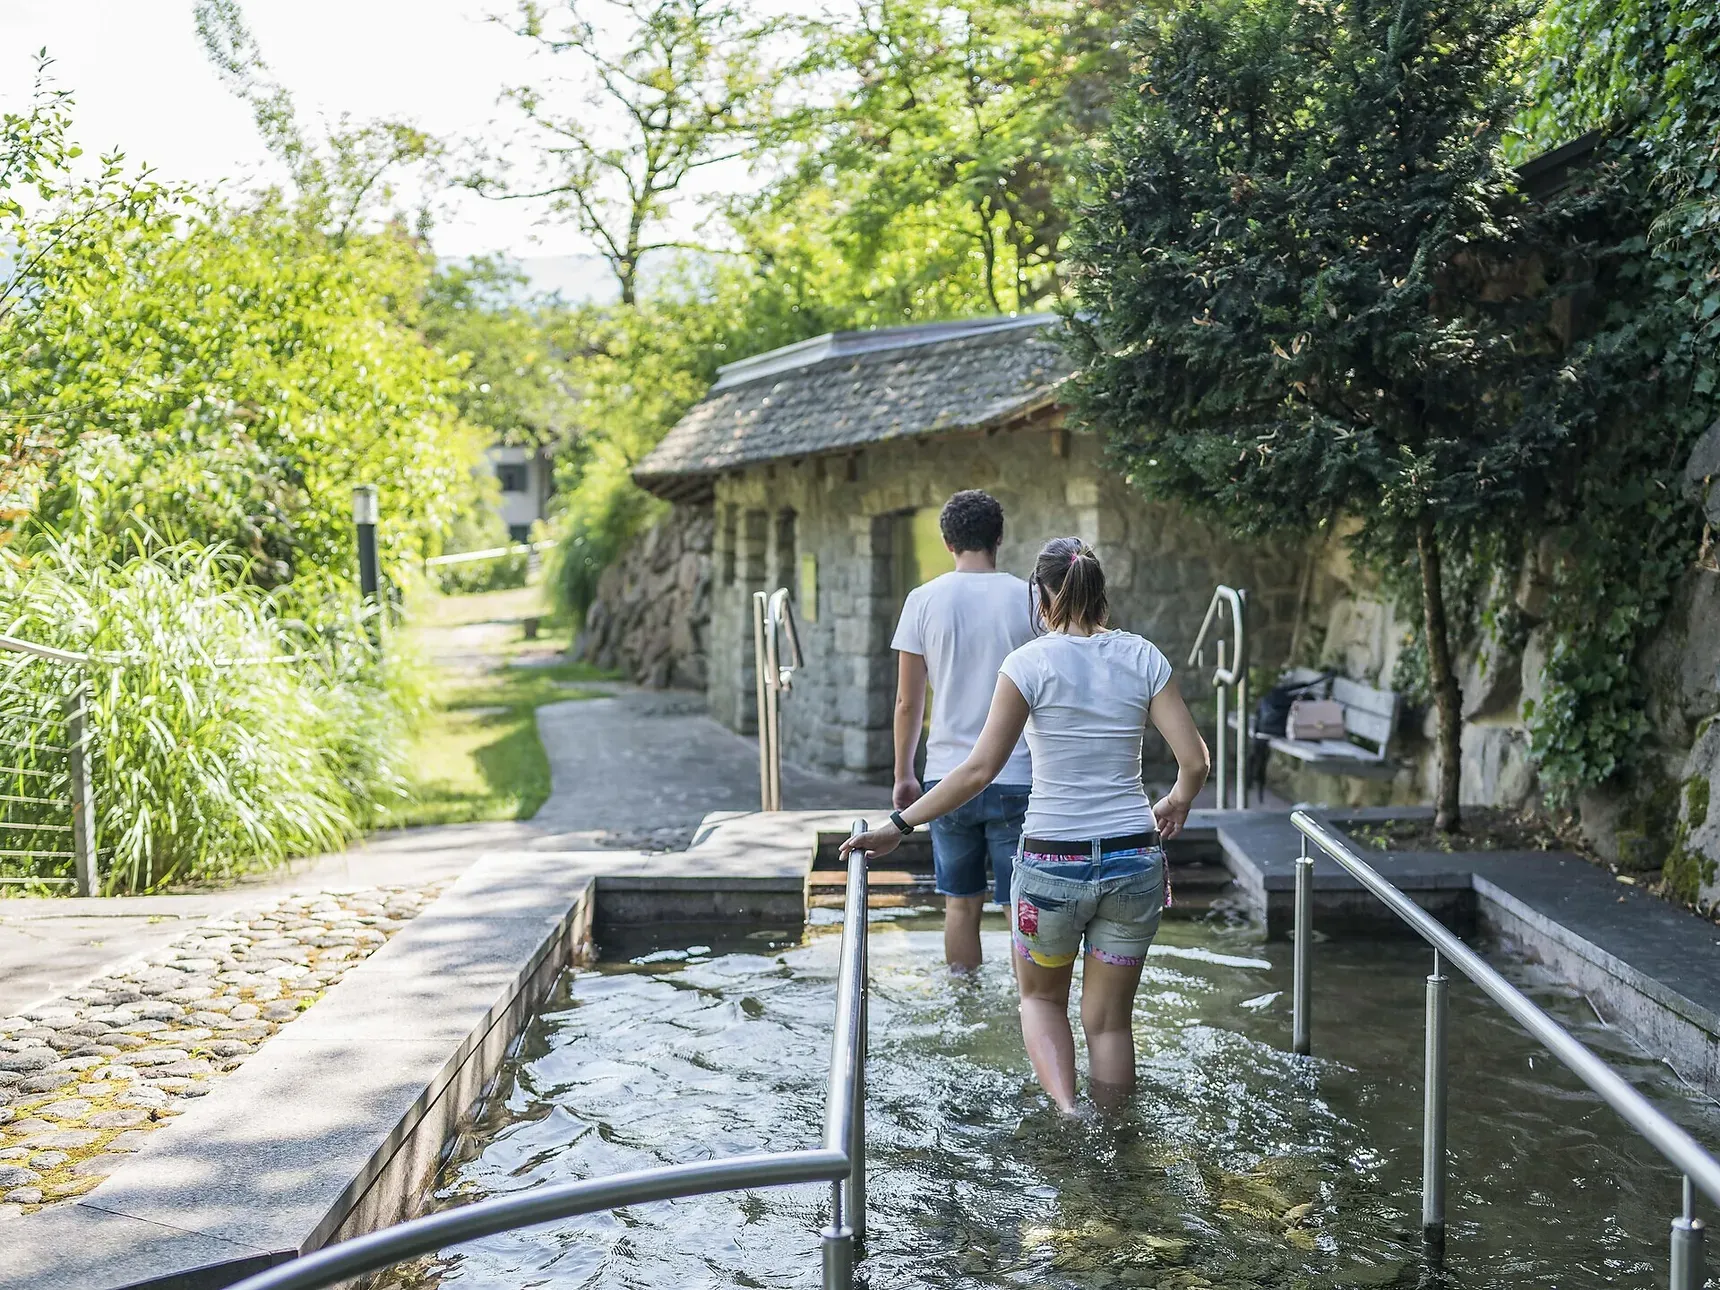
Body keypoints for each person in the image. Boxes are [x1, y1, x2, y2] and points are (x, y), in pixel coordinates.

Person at [845, 536, 1210, 1113]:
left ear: (1040, 598)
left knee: (1040, 1002)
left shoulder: (1028, 664)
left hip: (1051, 866)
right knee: (1111, 1025)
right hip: (1134, 860)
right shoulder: (1143, 657)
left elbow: (979, 770)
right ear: (1100, 593)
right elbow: (1195, 761)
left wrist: (900, 824)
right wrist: (1176, 801)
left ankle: (1070, 1117)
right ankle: (1115, 1139)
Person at [890, 490, 1037, 972]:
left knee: (959, 904)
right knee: (1022, 906)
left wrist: (904, 775)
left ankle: (963, 1000)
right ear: (999, 537)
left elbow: (908, 701)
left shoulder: (923, 600)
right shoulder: (1031, 597)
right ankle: (1032, 1007)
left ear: (947, 541)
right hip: (1018, 774)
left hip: (948, 778)